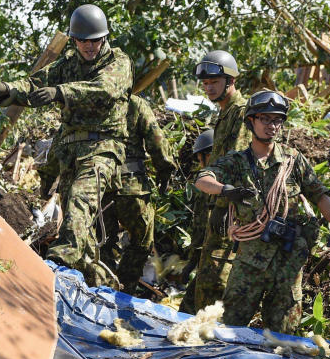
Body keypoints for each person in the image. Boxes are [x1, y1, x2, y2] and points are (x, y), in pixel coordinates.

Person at [0, 4, 132, 286]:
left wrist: (61, 92)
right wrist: (6, 90)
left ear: (105, 38)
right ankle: (97, 285)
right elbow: (35, 83)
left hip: (103, 149)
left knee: (79, 205)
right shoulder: (68, 65)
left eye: (95, 40)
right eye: (82, 40)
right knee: (81, 234)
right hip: (70, 152)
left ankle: (54, 269)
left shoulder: (118, 63)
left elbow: (104, 89)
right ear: (74, 40)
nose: (89, 46)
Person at [194, 90, 330, 332]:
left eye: (277, 120)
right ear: (251, 121)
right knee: (229, 327)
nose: (272, 126)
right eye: (265, 119)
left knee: (283, 334)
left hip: (288, 262)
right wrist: (225, 190)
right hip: (250, 261)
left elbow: (318, 193)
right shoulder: (237, 162)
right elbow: (202, 179)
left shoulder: (292, 160)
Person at [191, 50, 250, 311]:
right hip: (220, 204)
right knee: (206, 279)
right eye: (205, 84)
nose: (209, 88)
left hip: (230, 208)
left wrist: (227, 207)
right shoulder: (225, 114)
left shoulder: (240, 113)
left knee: (215, 281)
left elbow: (238, 164)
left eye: (214, 82)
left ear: (230, 81)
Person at [101, 95, 177, 291]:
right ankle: (123, 289)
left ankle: (104, 288)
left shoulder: (89, 100)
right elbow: (156, 139)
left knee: (102, 243)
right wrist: (165, 168)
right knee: (141, 242)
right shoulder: (134, 103)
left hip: (97, 184)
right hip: (131, 186)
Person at [178, 128, 214, 314]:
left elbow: (204, 228)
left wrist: (193, 262)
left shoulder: (211, 185)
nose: (199, 163)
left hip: (215, 261)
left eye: (200, 158)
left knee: (191, 312)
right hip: (214, 261)